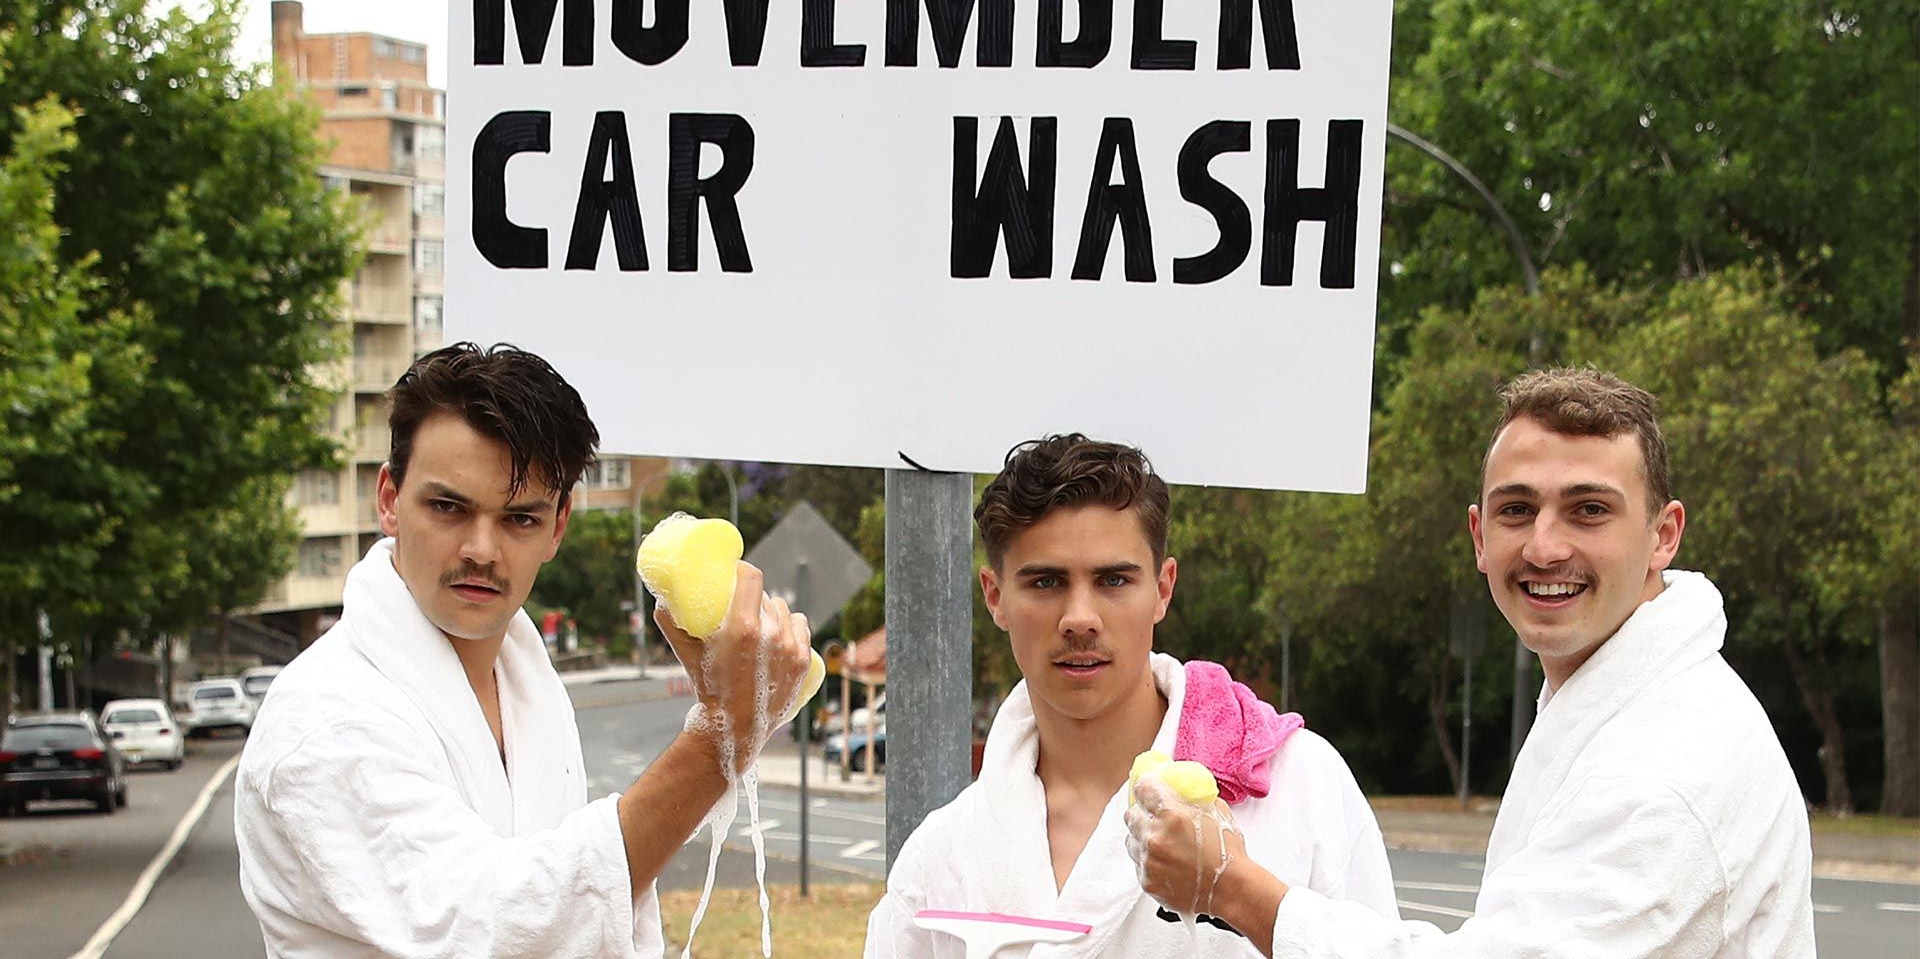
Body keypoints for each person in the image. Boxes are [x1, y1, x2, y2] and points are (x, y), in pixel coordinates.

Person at [1127, 367, 1816, 957]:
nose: (1545, 548)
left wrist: (1232, 887)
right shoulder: (1618, 700)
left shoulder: (1668, 767)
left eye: (1589, 510)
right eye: (1518, 509)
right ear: (1479, 536)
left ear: (1663, 535)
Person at [235, 343, 812, 957]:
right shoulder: (323, 720)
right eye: (448, 507)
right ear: (388, 500)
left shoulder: (523, 678)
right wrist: (718, 736)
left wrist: (728, 723)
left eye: (520, 519)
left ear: (559, 525)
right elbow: (495, 929)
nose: (481, 549)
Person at [865, 435, 1397, 957]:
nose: (1079, 618)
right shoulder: (940, 859)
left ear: (1163, 589)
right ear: (996, 596)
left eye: (1114, 580)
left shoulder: (1300, 789)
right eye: (1046, 583)